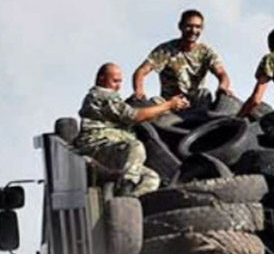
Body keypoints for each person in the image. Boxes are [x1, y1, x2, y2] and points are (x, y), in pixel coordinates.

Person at [75, 63, 189, 195]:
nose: (118, 86)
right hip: (97, 147)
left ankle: (128, 202)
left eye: (120, 81)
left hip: (114, 151)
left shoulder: (113, 99)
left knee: (151, 177)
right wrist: (169, 105)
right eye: (115, 81)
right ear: (101, 79)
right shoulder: (102, 95)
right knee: (135, 147)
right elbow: (133, 116)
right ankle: (125, 187)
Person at [133, 9, 232, 108]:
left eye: (197, 27)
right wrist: (139, 91)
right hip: (171, 103)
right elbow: (141, 71)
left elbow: (221, 73)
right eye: (189, 26)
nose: (193, 31)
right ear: (180, 26)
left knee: (205, 93)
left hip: (196, 102)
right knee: (153, 102)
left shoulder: (206, 52)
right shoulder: (166, 50)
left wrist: (222, 87)